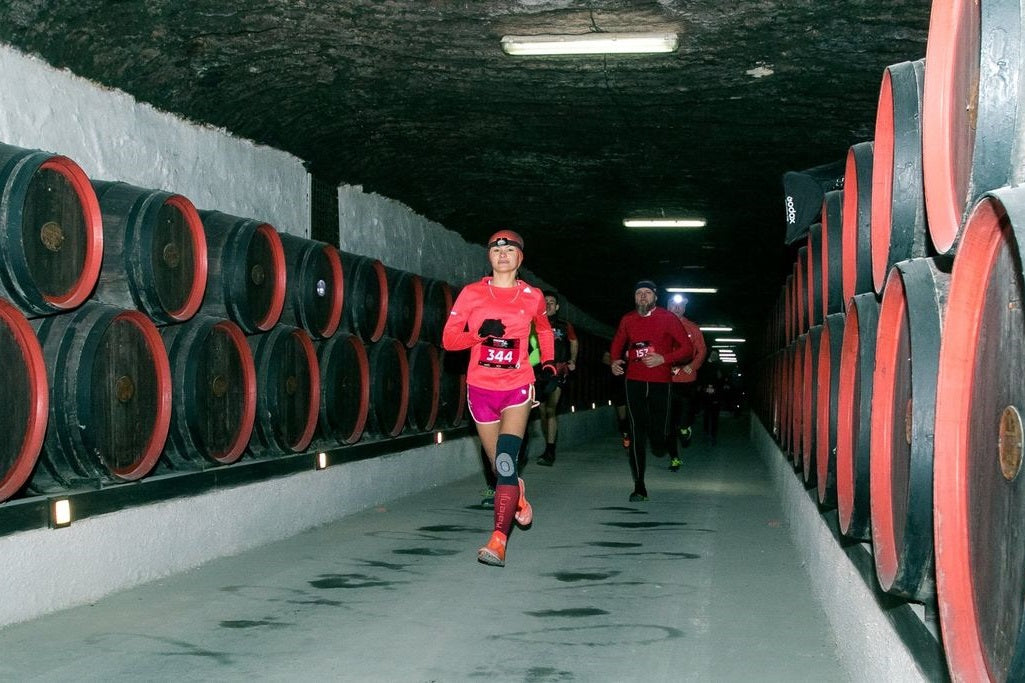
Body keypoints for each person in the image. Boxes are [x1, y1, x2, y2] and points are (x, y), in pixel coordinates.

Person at [442, 229, 555, 567]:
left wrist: (547, 364)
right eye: (495, 248)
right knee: (499, 469)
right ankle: (516, 494)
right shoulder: (471, 294)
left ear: (521, 258)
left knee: (506, 461)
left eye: (510, 248)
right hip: (481, 389)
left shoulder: (532, 296)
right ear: (488, 256)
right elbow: (449, 340)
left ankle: (498, 540)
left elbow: (545, 330)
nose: (502, 252)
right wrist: (479, 334)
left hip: (517, 386)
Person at [609, 280, 693, 502]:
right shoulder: (628, 319)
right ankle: (639, 486)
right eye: (639, 293)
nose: (643, 296)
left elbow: (687, 349)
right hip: (634, 380)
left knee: (661, 432)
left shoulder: (668, 318)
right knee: (636, 430)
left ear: (655, 297)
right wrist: (615, 360)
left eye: (647, 293)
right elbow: (617, 342)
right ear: (635, 298)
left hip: (660, 382)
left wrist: (663, 358)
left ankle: (661, 440)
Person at [534, 292, 578, 466]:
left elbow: (574, 341)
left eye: (552, 302)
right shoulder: (535, 321)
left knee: (551, 409)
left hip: (558, 371)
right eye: (546, 302)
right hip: (539, 371)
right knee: (543, 411)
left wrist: (572, 360)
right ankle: (548, 444)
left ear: (557, 307)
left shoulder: (564, 325)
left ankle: (550, 451)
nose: (549, 305)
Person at [665, 293, 707, 472]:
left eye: (680, 305)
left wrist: (693, 365)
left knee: (684, 417)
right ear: (667, 306)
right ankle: (674, 458)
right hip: (665, 379)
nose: (677, 308)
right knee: (667, 423)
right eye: (673, 305)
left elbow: (702, 350)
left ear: (685, 308)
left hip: (687, 379)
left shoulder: (692, 327)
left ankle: (685, 428)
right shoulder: (660, 326)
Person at [602, 350, 631, 448]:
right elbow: (605, 358)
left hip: (634, 381)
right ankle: (626, 435)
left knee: (634, 412)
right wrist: (614, 362)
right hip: (619, 383)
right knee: (622, 415)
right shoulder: (616, 343)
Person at [698, 349, 727, 444]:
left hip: (716, 395)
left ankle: (713, 434)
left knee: (714, 416)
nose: (714, 356)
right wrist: (704, 387)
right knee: (707, 414)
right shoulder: (705, 366)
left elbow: (722, 379)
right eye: (713, 354)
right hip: (706, 394)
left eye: (716, 355)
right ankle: (706, 432)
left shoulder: (720, 366)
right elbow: (701, 378)